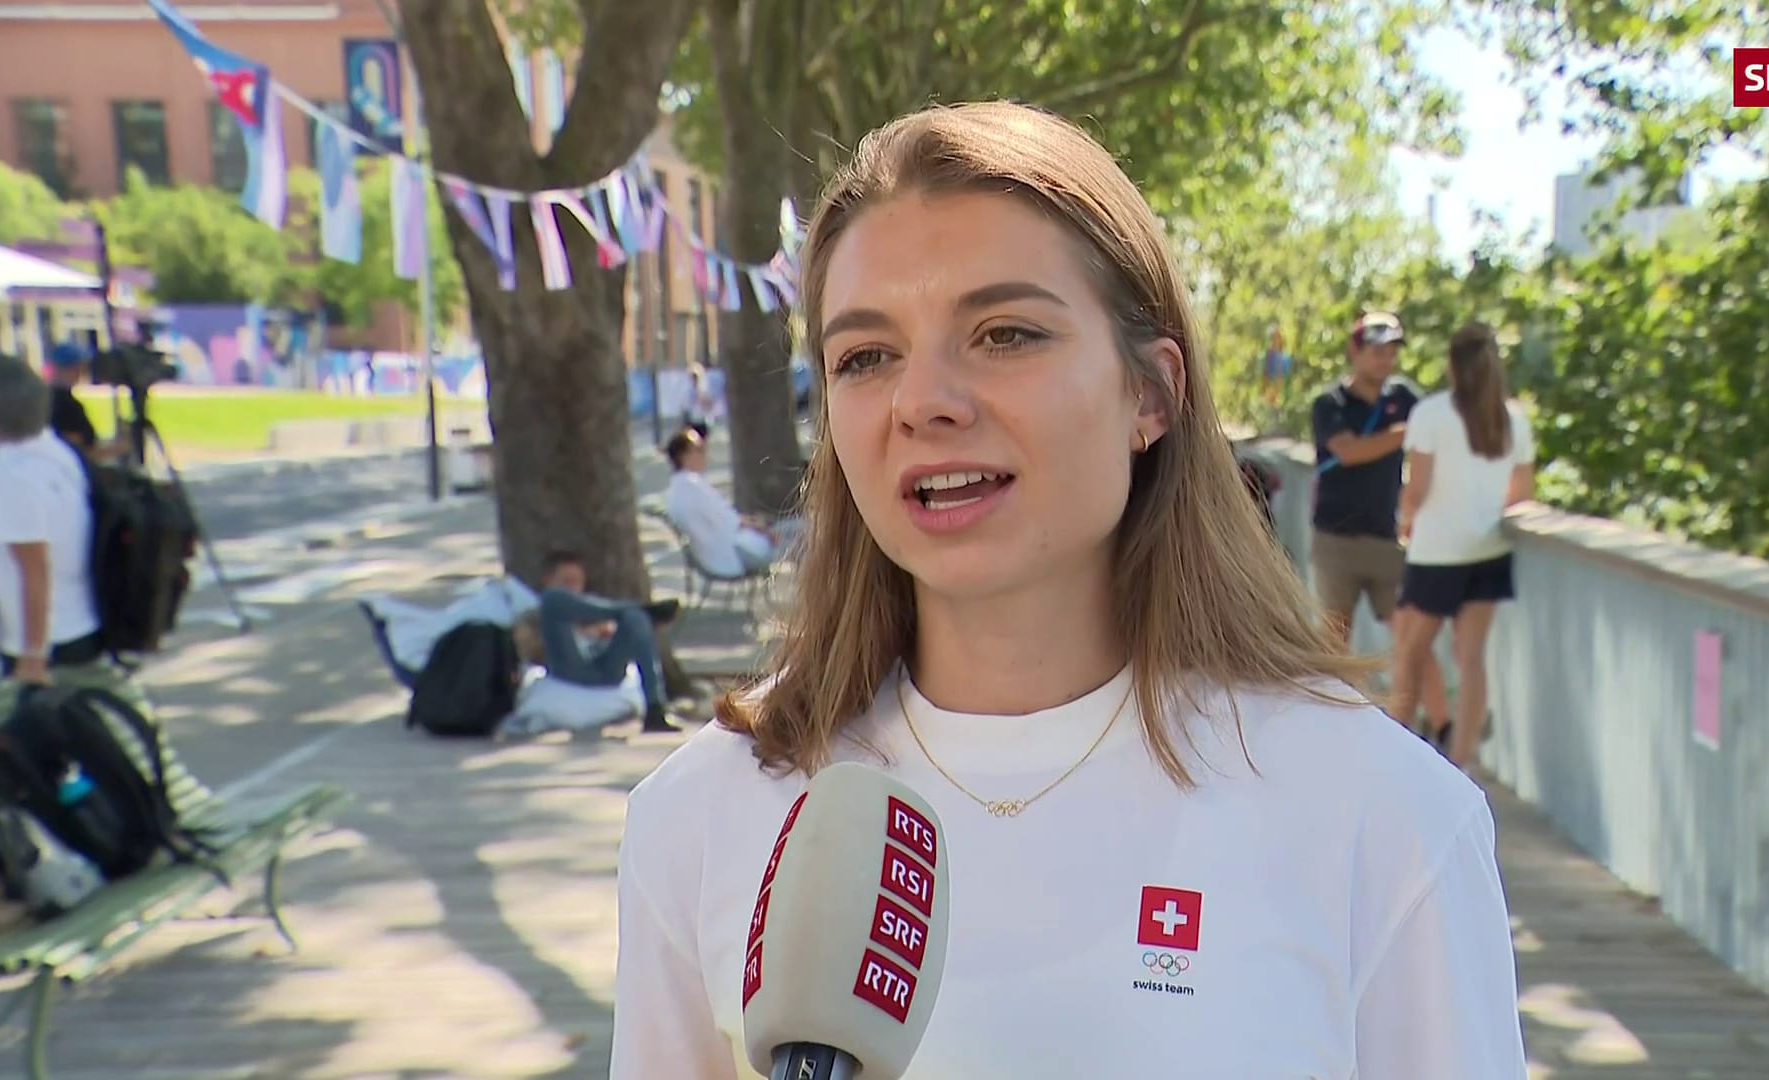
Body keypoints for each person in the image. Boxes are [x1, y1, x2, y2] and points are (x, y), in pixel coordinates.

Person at [609, 102, 1524, 1078]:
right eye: (865, 356)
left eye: (1005, 334)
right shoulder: (702, 816)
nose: (924, 403)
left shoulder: (1381, 816)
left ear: (1152, 394)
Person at [1388, 323, 1536, 770]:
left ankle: (1398, 752)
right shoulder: (1512, 419)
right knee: (1472, 659)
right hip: (1489, 549)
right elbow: (1522, 491)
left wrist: (1405, 519)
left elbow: (1418, 487)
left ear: (1453, 364)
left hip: (1436, 552)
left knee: (1410, 651)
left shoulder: (1431, 414)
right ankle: (1463, 761)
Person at [1309, 311, 1451, 740]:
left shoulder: (1406, 396)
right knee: (1335, 642)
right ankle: (1333, 729)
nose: (1385, 358)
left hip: (1387, 539)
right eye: (1376, 350)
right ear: (1355, 352)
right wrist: (1407, 432)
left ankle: (1436, 730)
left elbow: (1442, 432)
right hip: (1336, 539)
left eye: (1391, 350)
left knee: (1412, 640)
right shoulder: (1329, 404)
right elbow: (1349, 452)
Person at [0, 353, 103, 684]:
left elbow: (35, 570)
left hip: (44, 643)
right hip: (78, 622)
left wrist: (33, 657)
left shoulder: (15, 477)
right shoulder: (55, 451)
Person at [531, 552, 682, 734]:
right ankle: (639, 608)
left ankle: (655, 709)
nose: (572, 588)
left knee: (636, 618)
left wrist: (603, 633)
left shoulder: (592, 606)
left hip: (607, 669)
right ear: (548, 580)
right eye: (566, 582)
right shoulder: (540, 606)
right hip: (568, 669)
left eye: (576, 582)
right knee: (554, 599)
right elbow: (529, 650)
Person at [662, 428, 800, 576]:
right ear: (686, 454)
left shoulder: (678, 489)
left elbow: (722, 517)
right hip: (735, 553)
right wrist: (761, 528)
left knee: (794, 530)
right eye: (700, 449)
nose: (705, 454)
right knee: (799, 530)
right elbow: (730, 521)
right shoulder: (690, 485)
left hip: (726, 551)